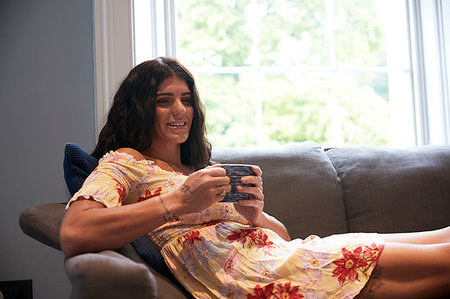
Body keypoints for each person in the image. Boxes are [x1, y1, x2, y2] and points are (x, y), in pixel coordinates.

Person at [60, 57, 450, 299]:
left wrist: (255, 215)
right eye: (165, 100)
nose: (180, 109)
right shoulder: (124, 162)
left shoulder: (194, 171)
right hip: (248, 278)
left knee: (436, 239)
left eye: (186, 99)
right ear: (141, 108)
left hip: (278, 257)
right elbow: (76, 232)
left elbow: (280, 236)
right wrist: (178, 202)